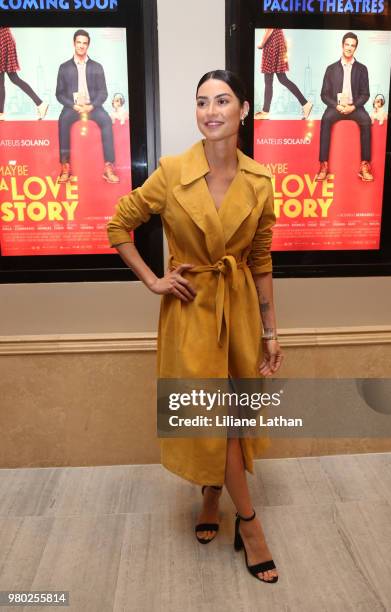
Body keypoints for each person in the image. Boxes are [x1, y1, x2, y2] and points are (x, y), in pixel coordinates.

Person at [107, 69, 283, 583]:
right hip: (191, 314)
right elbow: (119, 224)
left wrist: (272, 333)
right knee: (217, 417)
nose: (211, 111)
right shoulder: (171, 171)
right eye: (202, 101)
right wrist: (153, 280)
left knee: (232, 417)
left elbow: (261, 259)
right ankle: (249, 524)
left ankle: (211, 497)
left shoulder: (260, 181)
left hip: (242, 312)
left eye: (222, 100)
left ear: (243, 110)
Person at [55, 29, 119, 184]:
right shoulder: (64, 67)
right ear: (74, 43)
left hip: (93, 107)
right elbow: (59, 94)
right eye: (79, 42)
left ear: (88, 45)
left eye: (84, 43)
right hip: (73, 108)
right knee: (62, 121)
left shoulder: (97, 67)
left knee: (105, 120)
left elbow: (103, 93)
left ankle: (109, 167)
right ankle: (65, 166)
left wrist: (92, 106)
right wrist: (73, 105)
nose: (81, 46)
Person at [317, 32, 373, 182]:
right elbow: (323, 94)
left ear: (356, 48)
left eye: (352, 45)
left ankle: (364, 165)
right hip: (336, 108)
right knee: (326, 119)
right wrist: (337, 106)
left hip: (355, 108)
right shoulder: (331, 68)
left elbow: (365, 94)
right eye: (347, 44)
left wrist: (353, 107)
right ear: (342, 45)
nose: (349, 48)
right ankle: (323, 165)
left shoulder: (362, 69)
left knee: (366, 121)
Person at [255, 28, 312, 120]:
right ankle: (305, 103)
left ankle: (265, 112)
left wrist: (262, 44)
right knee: (282, 79)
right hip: (278, 41)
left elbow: (270, 28)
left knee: (269, 81)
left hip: (272, 43)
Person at [0, 27, 48, 121]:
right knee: (13, 78)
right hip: (5, 37)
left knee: (6, 79)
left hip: (2, 38)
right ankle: (40, 104)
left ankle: (1, 113)